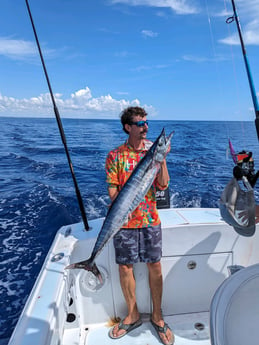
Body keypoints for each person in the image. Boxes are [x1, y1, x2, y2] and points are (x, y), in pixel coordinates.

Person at [105, 106, 174, 345]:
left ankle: (157, 315)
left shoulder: (152, 155)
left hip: (149, 220)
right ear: (128, 127)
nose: (146, 127)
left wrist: (161, 159)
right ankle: (132, 315)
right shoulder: (115, 156)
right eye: (140, 124)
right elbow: (112, 189)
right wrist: (124, 205)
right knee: (125, 268)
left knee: (154, 266)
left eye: (147, 123)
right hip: (123, 223)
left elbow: (163, 186)